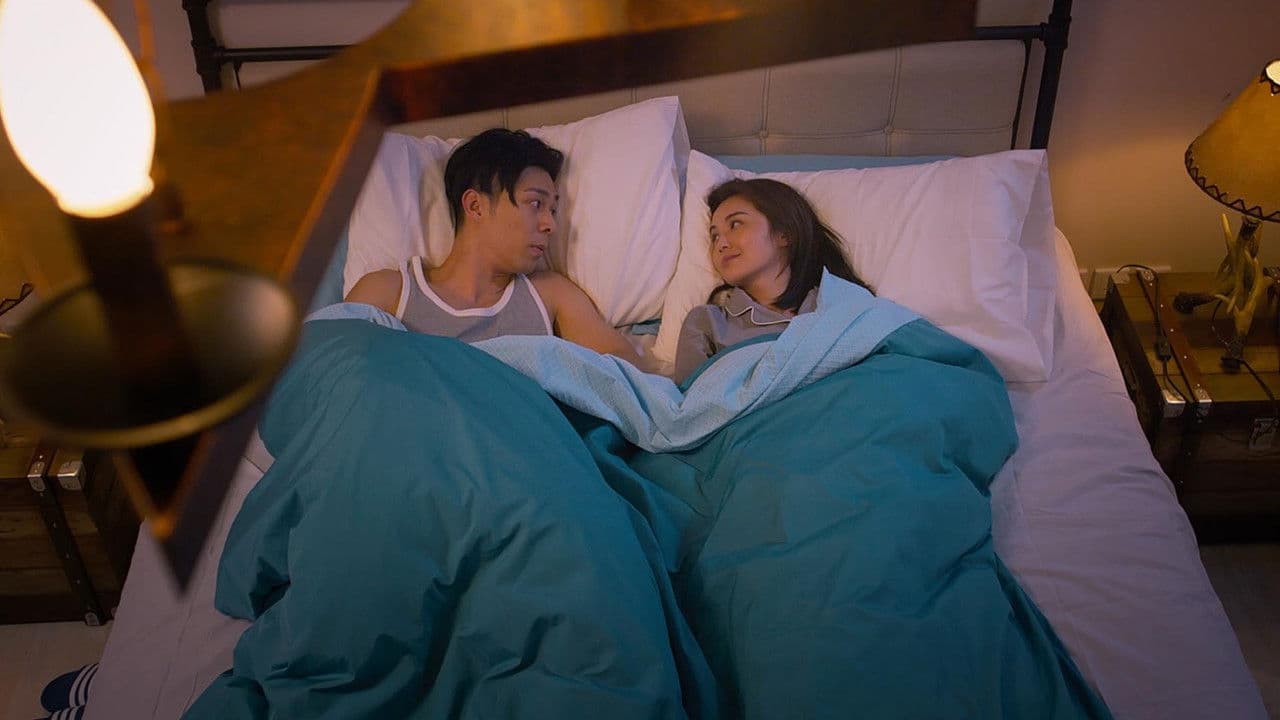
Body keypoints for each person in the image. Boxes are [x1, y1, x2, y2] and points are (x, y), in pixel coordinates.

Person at [346, 128, 648, 368]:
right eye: (536, 203)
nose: (550, 225)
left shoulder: (549, 294)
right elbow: (333, 373)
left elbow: (629, 376)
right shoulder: (388, 293)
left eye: (553, 210)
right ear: (475, 206)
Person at [672, 178, 869, 383]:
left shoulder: (845, 305)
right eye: (714, 236)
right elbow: (693, 399)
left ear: (785, 234)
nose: (721, 243)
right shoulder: (707, 323)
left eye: (735, 224)